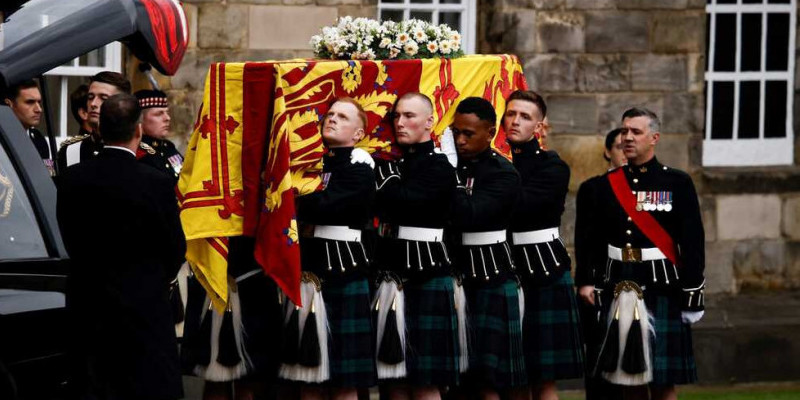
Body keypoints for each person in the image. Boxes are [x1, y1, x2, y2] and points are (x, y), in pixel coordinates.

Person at [56, 93, 186, 400]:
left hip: (90, 304)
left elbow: (67, 235)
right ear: (138, 131)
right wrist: (156, 279)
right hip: (144, 305)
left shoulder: (73, 179)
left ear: (100, 130)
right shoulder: (156, 182)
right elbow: (175, 247)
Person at [589, 108, 704, 400]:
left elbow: (692, 242)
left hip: (661, 287)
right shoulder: (606, 186)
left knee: (663, 382)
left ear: (654, 138)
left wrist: (692, 295)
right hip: (619, 286)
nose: (628, 137)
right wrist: (598, 287)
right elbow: (597, 242)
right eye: (625, 131)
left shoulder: (677, 183)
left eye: (636, 132)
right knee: (627, 381)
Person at [281, 97, 377, 400]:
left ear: (358, 134)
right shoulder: (314, 165)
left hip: (344, 270)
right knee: (309, 375)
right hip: (310, 270)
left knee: (344, 379)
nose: (332, 119)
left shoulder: (360, 165)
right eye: (330, 114)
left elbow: (329, 205)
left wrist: (294, 201)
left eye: (343, 117)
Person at [372, 93, 460, 400]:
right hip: (388, 274)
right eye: (396, 116)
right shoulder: (391, 164)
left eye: (409, 115)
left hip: (426, 272)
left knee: (425, 382)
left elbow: (405, 202)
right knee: (392, 381)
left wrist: (386, 183)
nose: (400, 122)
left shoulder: (440, 167)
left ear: (430, 122)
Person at [503, 90, 583, 400]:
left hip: (544, 269)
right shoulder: (493, 162)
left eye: (525, 117)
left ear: (539, 126)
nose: (516, 121)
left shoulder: (552, 166)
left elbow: (522, 206)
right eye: (511, 114)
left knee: (543, 377)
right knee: (512, 377)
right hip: (504, 265)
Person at [449, 97, 525, 400]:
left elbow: (471, 213)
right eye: (456, 132)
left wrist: (445, 176)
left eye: (469, 133)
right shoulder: (452, 164)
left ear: (490, 132)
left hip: (489, 274)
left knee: (488, 378)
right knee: (453, 377)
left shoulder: (503, 173)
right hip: (454, 271)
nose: (460, 140)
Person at [574, 128, 626, 400]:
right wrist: (585, 281)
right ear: (608, 152)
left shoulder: (653, 189)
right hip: (602, 283)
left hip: (638, 282)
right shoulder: (593, 188)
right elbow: (583, 239)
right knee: (599, 355)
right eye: (619, 147)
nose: (625, 152)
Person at [58, 71, 131, 172]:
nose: (93, 104)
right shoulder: (70, 152)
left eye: (103, 98)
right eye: (90, 97)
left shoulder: (142, 154)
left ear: (123, 104)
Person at [3, 79, 54, 175]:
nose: (38, 109)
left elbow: (49, 177)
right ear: (9, 105)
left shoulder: (39, 139)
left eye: (39, 102)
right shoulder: (3, 141)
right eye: (30, 102)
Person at [134, 89, 184, 182]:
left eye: (167, 112)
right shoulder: (139, 153)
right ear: (140, 120)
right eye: (159, 114)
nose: (167, 118)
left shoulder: (168, 147)